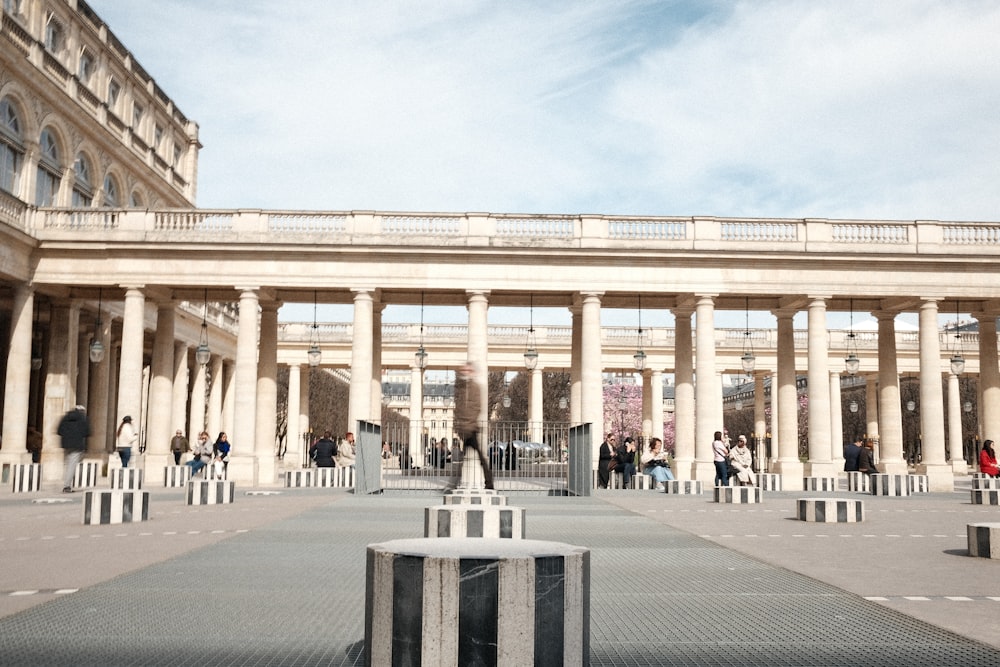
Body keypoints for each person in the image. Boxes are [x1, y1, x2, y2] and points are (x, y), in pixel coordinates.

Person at [451, 362, 493, 489]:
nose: (464, 372)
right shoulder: (463, 387)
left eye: (467, 370)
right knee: (471, 457)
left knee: (476, 457)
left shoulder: (474, 387)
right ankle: (488, 482)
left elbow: (476, 407)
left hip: (471, 427)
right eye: (463, 369)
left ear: (472, 372)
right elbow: (460, 407)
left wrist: (468, 422)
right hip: (466, 427)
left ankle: (488, 482)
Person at [57, 405, 90, 493]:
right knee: (72, 465)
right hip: (77, 445)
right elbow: (87, 431)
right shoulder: (82, 419)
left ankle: (66, 482)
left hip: (66, 444)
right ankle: (67, 486)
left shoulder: (65, 417)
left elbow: (59, 430)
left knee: (68, 464)